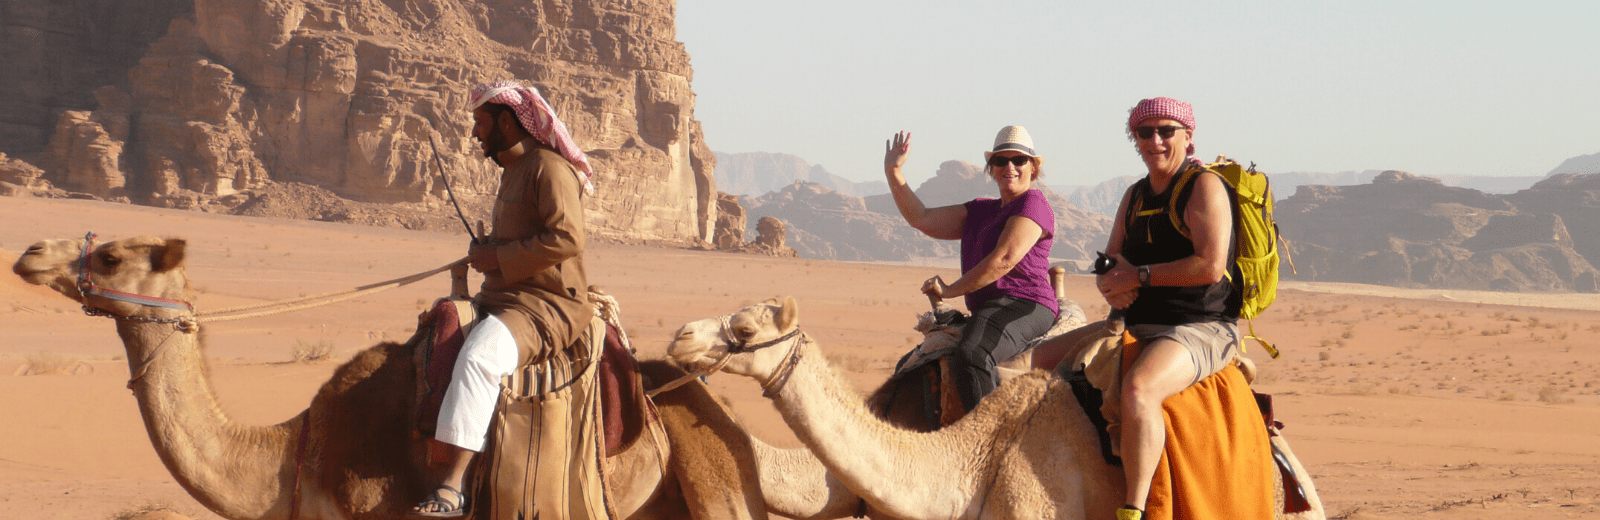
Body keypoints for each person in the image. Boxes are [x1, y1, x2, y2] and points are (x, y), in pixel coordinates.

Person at [412, 80, 595, 517]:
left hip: (543, 306)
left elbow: (567, 238)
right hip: (503, 295)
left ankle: (452, 488)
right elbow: (524, 236)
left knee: (478, 358)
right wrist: (487, 251)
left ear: (508, 121)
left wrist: (499, 256)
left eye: (480, 122)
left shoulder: (548, 169)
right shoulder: (514, 169)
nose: (475, 132)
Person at [1096, 97, 1242, 520]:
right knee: (1038, 361)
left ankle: (1134, 508)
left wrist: (1136, 277)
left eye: (1166, 131)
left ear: (1188, 137)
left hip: (1201, 326)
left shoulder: (1203, 186)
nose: (1155, 140)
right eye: (1145, 132)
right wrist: (1109, 280)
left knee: (1139, 390)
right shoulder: (1135, 195)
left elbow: (1210, 265)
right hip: (1140, 321)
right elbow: (1110, 258)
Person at [883, 126, 1059, 413]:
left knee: (973, 354)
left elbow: (1004, 258)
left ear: (1033, 168)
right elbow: (922, 217)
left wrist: (951, 290)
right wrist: (894, 171)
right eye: (1001, 161)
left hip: (1026, 304)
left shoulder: (1033, 204)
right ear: (991, 168)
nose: (1009, 167)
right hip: (988, 308)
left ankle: (988, 442)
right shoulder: (979, 211)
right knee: (910, 366)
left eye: (1019, 160)